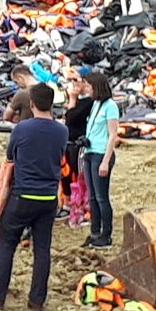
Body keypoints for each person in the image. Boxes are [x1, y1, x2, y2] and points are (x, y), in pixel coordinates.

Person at [0, 83, 68, 311]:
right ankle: (37, 300)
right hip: (48, 198)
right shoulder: (62, 131)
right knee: (42, 250)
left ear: (31, 104)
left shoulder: (21, 129)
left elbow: (11, 157)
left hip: (22, 195)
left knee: (7, 245)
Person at [82, 72, 119, 250]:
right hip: (90, 152)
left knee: (101, 197)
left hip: (101, 154)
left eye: (89, 86)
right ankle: (95, 231)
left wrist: (106, 160)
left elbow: (113, 135)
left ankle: (107, 234)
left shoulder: (110, 106)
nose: (87, 89)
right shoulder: (96, 104)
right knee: (92, 197)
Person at [59, 69, 93, 219]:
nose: (74, 85)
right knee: (65, 174)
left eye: (77, 81)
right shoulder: (80, 101)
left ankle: (80, 206)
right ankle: (67, 204)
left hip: (79, 143)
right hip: (69, 142)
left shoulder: (89, 102)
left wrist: (72, 98)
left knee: (78, 175)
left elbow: (71, 118)